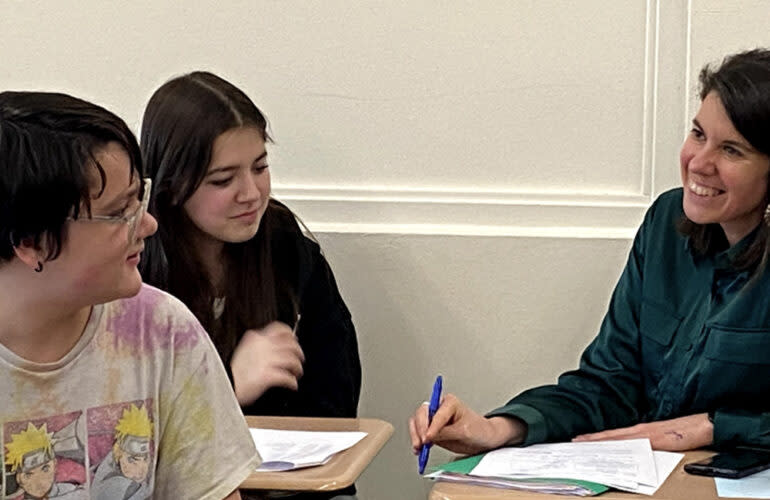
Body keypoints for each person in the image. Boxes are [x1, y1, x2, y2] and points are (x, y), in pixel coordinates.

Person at [409, 48, 770, 457]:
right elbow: (609, 384)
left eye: (732, 150)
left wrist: (710, 428)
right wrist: (498, 428)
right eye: (699, 134)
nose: (699, 163)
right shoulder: (665, 224)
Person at [0, 91, 260, 499]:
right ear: (31, 241)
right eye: (120, 212)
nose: (148, 224)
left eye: (140, 198)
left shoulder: (162, 329)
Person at [139, 72, 361, 499]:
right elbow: (127, 441)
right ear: (169, 187)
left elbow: (335, 413)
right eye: (223, 180)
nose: (251, 193)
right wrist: (227, 387)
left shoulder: (287, 250)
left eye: (260, 168)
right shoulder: (136, 276)